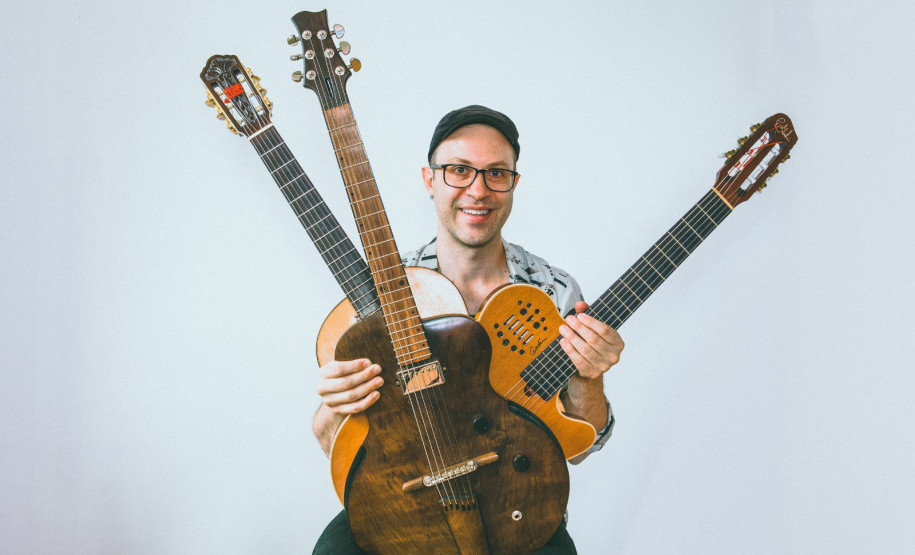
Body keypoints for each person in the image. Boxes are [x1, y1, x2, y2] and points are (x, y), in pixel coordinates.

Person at [312, 105, 624, 554]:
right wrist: (334, 403)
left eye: (496, 173)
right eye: (459, 170)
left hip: (519, 500)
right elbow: (331, 444)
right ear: (429, 179)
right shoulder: (381, 293)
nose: (478, 190)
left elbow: (578, 447)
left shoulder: (552, 291)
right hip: (407, 502)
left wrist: (589, 377)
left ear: (514, 184)